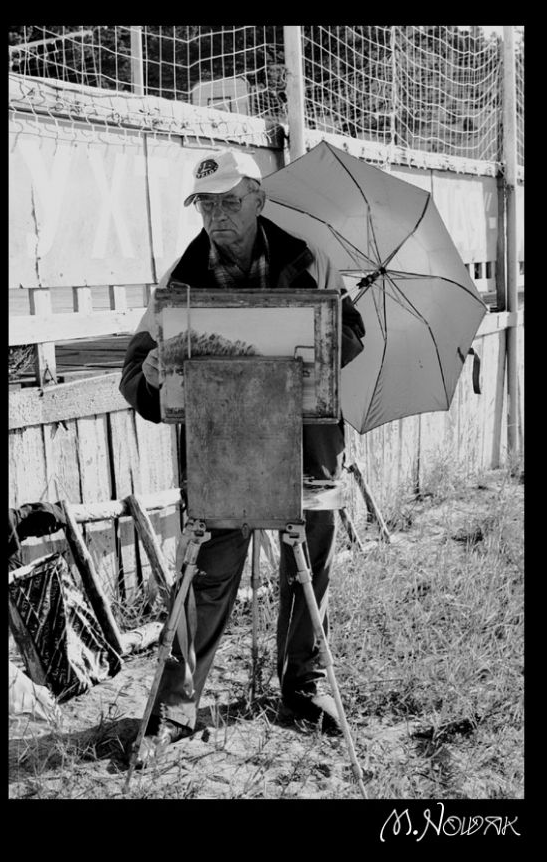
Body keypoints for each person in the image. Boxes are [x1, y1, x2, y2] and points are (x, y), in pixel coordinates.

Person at [120, 148, 365, 765]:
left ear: (259, 198)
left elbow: (352, 332)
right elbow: (136, 370)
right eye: (206, 204)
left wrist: (321, 339)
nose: (218, 215)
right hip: (221, 444)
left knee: (308, 565)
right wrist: (152, 375)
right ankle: (177, 707)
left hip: (306, 441)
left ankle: (304, 688)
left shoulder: (309, 257)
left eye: (230, 201)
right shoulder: (180, 279)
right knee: (205, 568)